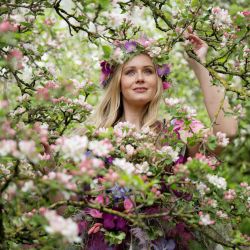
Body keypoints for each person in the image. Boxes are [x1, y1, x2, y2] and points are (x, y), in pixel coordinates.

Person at [87, 29, 238, 157]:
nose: (140, 78)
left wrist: (199, 63)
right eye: (130, 72)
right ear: (118, 83)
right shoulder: (94, 138)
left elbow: (226, 132)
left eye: (148, 71)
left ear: (158, 81)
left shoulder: (177, 133)